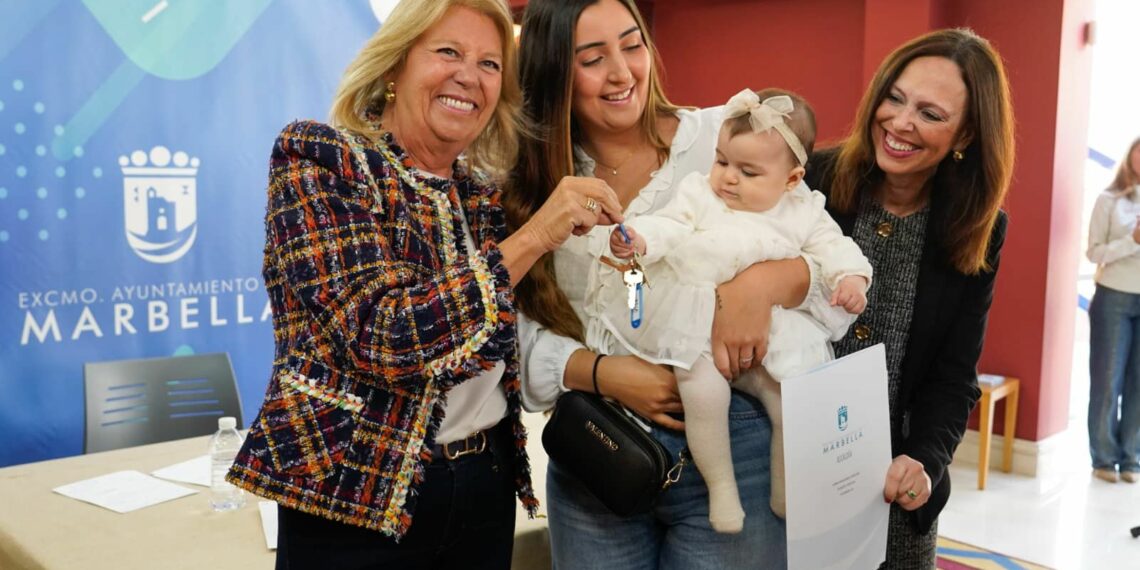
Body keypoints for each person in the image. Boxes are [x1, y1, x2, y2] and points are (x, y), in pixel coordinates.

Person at [225, 1, 624, 567]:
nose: (470, 75)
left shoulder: (481, 195)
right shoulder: (322, 160)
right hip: (357, 497)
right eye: (448, 52)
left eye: (490, 64)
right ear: (394, 67)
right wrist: (535, 236)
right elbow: (384, 335)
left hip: (484, 484)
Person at [505, 1, 835, 567]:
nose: (622, 72)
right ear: (554, 70)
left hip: (742, 443)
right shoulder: (523, 180)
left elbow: (827, 261)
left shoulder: (722, 139)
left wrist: (761, 285)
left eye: (632, 46)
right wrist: (605, 374)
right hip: (599, 449)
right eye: (592, 58)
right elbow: (498, 330)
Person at [604, 88, 872, 531]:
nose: (727, 178)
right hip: (698, 325)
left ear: (791, 179)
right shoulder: (700, 194)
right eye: (722, 161)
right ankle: (721, 488)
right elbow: (670, 224)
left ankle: (787, 488)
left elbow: (836, 248)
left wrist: (851, 280)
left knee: (787, 399)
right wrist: (640, 237)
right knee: (701, 392)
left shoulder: (803, 209)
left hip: (770, 335)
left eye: (748, 171)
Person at [803, 28, 1015, 569]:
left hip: (891, 495)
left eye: (930, 113)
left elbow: (953, 376)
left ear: (966, 133)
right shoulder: (810, 179)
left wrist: (924, 461)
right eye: (894, 98)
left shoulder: (977, 230)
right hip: (786, 476)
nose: (899, 123)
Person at [1086, 136, 1140, 484]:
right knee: (1107, 381)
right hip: (1114, 297)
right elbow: (1094, 253)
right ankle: (1104, 457)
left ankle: (1131, 458)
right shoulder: (1109, 200)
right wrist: (1132, 241)